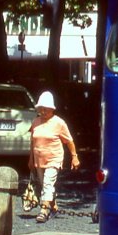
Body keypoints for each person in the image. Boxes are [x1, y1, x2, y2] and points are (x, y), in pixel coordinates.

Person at [28, 91, 80, 223]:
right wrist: (31, 159)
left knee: (47, 183)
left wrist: (74, 157)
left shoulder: (59, 123)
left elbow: (69, 141)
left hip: (54, 158)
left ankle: (43, 210)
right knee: (44, 185)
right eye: (41, 108)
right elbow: (32, 142)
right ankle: (53, 207)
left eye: (46, 108)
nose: (43, 111)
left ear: (52, 109)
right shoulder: (35, 122)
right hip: (39, 159)